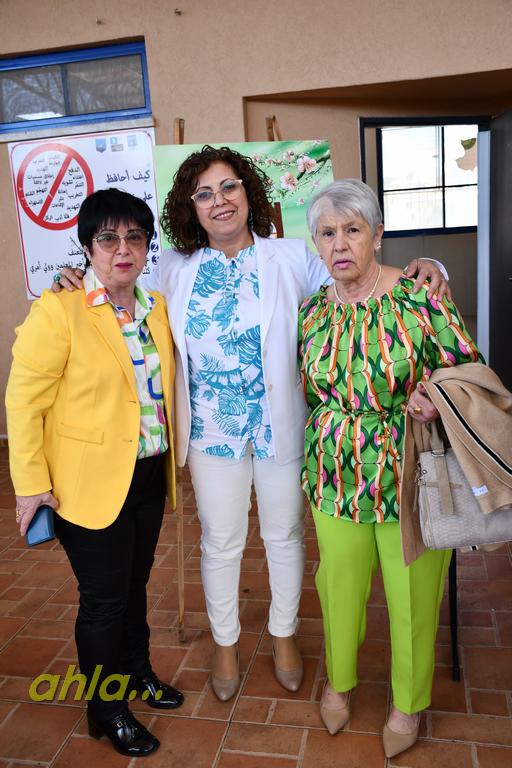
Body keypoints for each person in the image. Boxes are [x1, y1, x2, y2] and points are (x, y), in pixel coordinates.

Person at [52, 146, 449, 702]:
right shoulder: (173, 269)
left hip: (280, 427)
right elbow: (121, 289)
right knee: (221, 541)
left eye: (229, 187)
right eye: (204, 193)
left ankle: (284, 636)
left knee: (284, 535)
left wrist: (432, 267)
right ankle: (225, 643)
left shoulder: (291, 256)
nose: (219, 201)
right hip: (211, 432)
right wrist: (72, 279)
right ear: (191, 207)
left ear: (248, 193)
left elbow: (360, 274)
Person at [298, 179, 482, 758]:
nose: (340, 244)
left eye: (352, 230)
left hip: (411, 471)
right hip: (334, 472)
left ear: (376, 235)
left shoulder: (420, 297)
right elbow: (310, 389)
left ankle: (408, 702)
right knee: (339, 584)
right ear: (316, 243)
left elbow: (469, 369)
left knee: (413, 593)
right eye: (327, 233)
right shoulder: (312, 312)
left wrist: (434, 397)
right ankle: (339, 681)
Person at [6, 189, 184, 757]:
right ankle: (106, 711)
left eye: (135, 237)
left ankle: (138, 674)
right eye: (108, 238)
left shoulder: (156, 307)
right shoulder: (60, 309)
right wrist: (32, 486)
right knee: (104, 600)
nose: (122, 249)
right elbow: (23, 402)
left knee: (134, 586)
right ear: (87, 248)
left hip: (147, 475)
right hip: (86, 484)